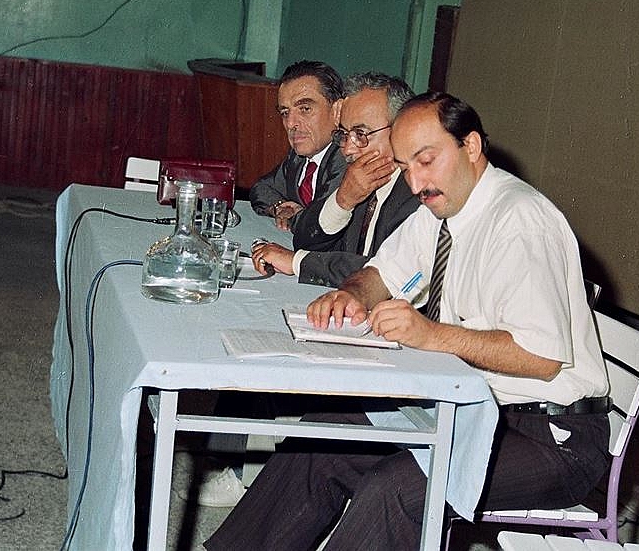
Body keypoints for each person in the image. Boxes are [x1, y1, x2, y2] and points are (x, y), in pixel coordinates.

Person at [205, 92, 612, 551]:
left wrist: (429, 334)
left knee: (396, 488)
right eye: (405, 167)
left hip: (549, 438)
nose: (416, 183)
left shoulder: (519, 222)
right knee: (325, 437)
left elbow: (541, 358)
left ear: (471, 146)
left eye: (426, 160)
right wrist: (351, 294)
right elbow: (384, 272)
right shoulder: (444, 207)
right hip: (469, 408)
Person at [249, 72, 419, 287]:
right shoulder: (363, 180)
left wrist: (297, 262)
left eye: (361, 134)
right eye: (344, 135)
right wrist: (342, 201)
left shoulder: (417, 193)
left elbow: (388, 274)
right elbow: (307, 241)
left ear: (402, 131)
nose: (347, 149)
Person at [248, 60, 347, 232]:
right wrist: (280, 207)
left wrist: (296, 217)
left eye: (305, 109)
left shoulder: (344, 156)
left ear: (337, 110)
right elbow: (262, 189)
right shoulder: (298, 157)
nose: (290, 123)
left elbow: (320, 223)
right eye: (285, 113)